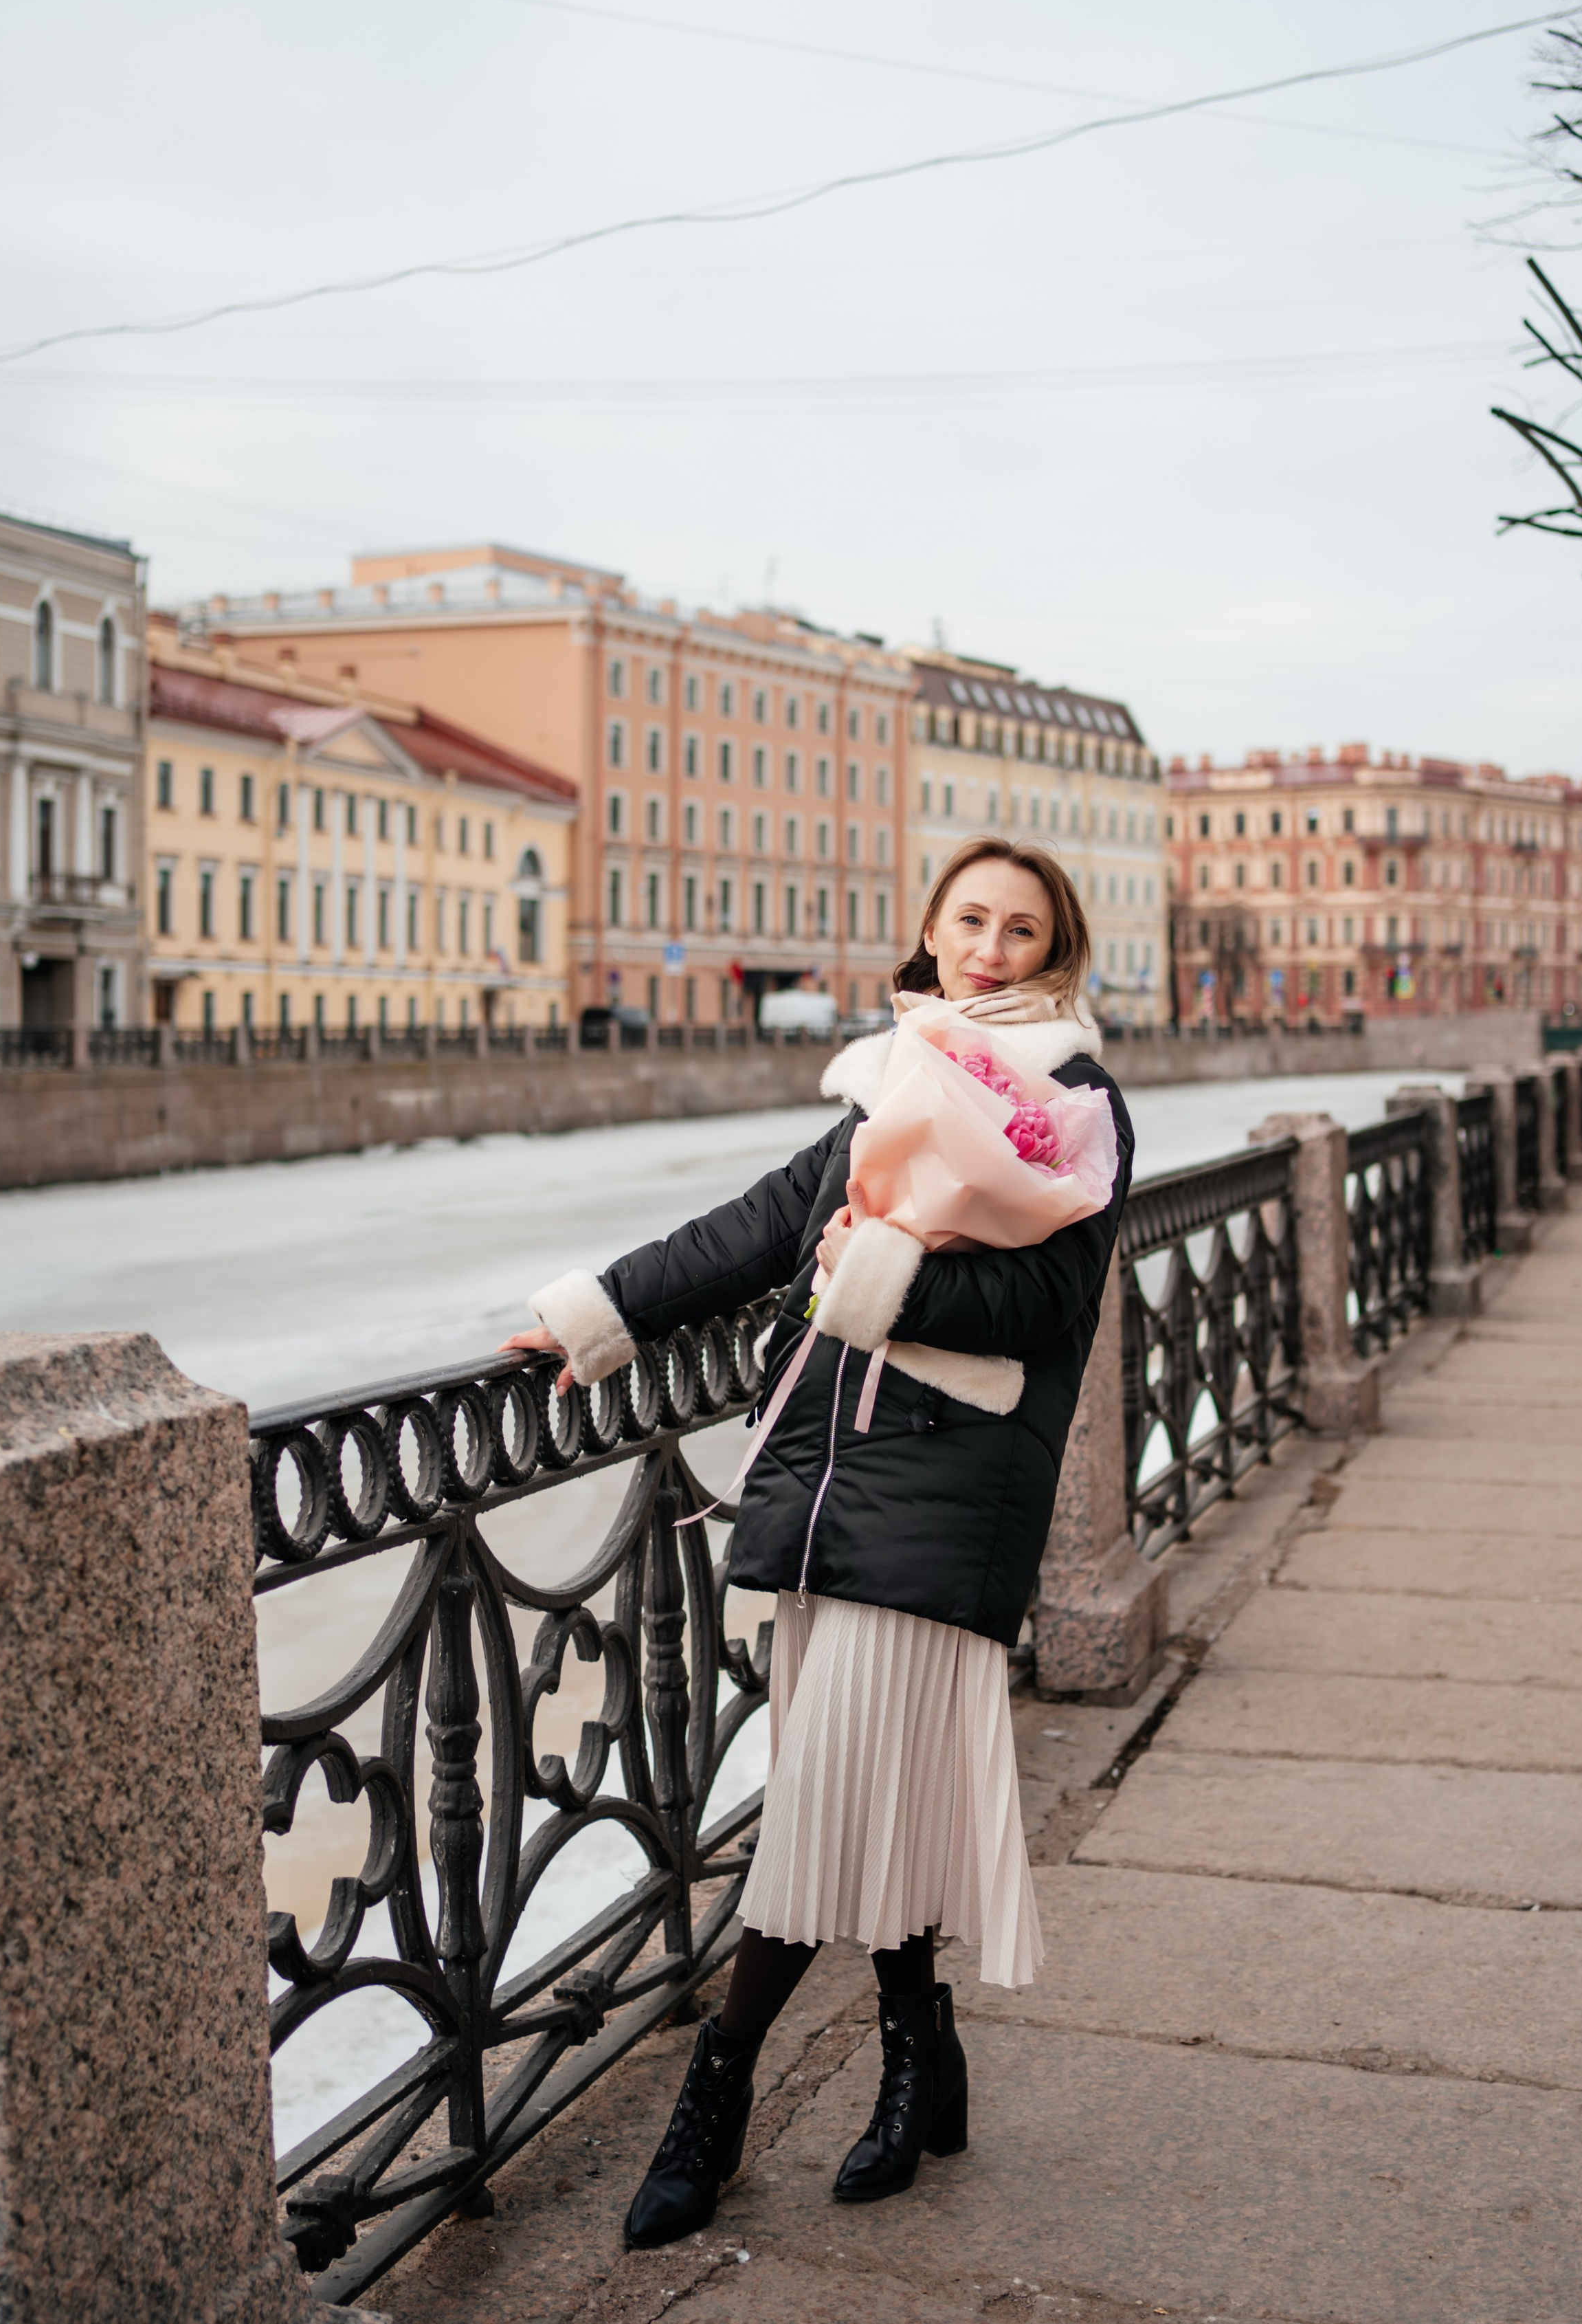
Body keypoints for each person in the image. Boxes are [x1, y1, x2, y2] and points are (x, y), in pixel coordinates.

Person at [502, 837, 1135, 2250]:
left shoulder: (1077, 1100)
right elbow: (758, 1227)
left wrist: (873, 1277)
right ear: (928, 926)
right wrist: (593, 1312)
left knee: (821, 1803)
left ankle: (714, 2101)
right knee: (872, 1790)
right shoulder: (893, 1070)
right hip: (829, 1478)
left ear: (1054, 951)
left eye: (1018, 930)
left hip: (950, 1482)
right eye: (967, 918)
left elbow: (1045, 1301)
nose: (986, 947)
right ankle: (923, 2060)